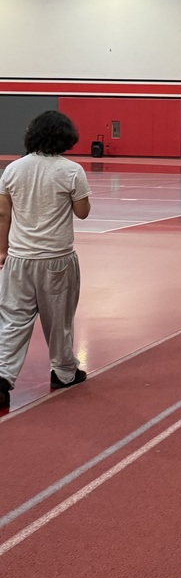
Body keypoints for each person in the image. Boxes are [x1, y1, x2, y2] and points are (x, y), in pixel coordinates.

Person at [0, 110, 92, 412]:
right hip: (56, 258)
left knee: (13, 320)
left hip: (18, 258)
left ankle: (2, 377)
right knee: (59, 320)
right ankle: (64, 372)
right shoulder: (71, 170)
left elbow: (3, 214)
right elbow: (82, 212)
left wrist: (2, 251)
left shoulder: (13, 169)